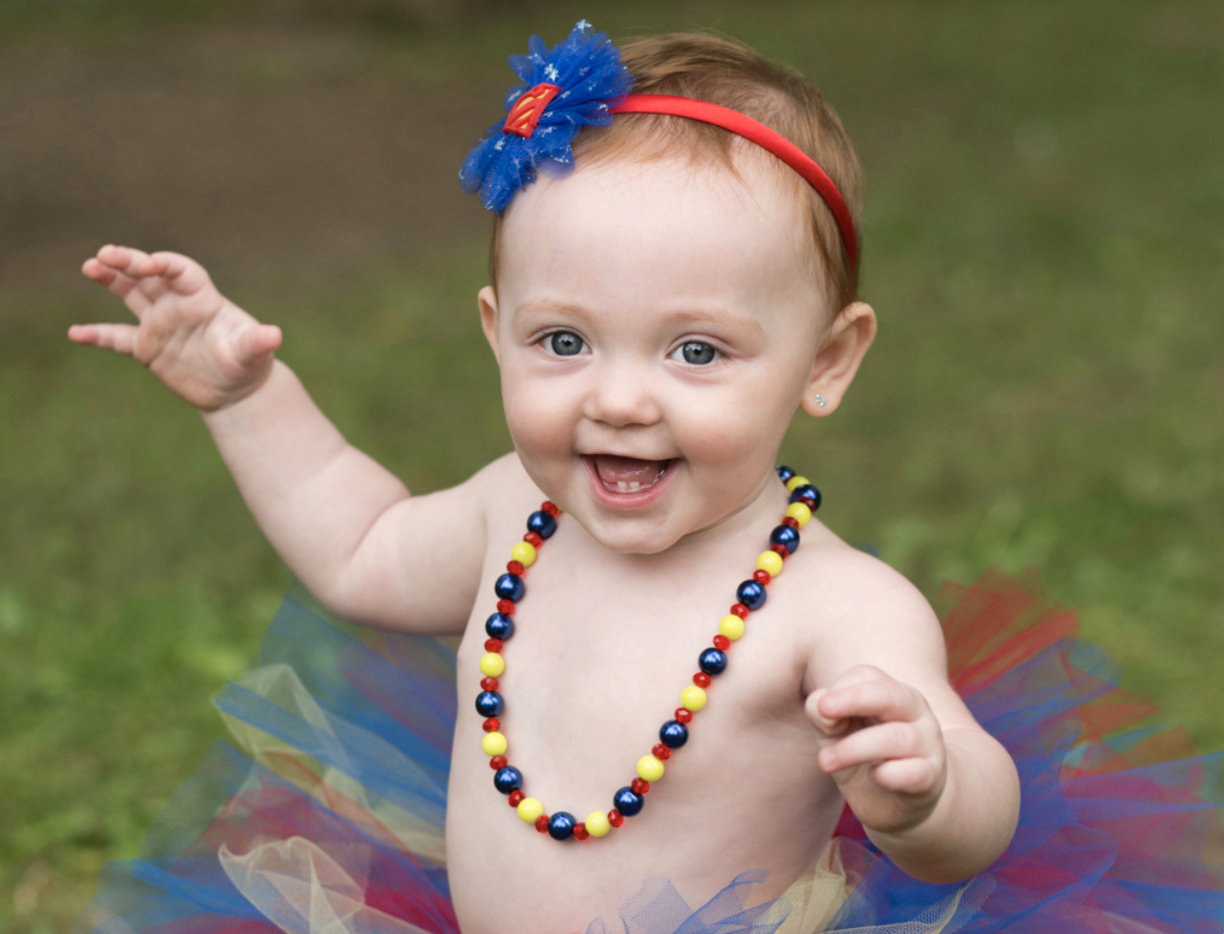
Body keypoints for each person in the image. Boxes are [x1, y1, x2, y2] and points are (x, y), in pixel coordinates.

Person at [70, 22, 1222, 934]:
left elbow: (982, 811)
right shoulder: (509, 512)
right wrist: (246, 398)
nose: (619, 399)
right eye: (564, 342)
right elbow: (361, 549)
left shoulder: (838, 606)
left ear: (827, 362)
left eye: (698, 350)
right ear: (495, 329)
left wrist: (926, 789)